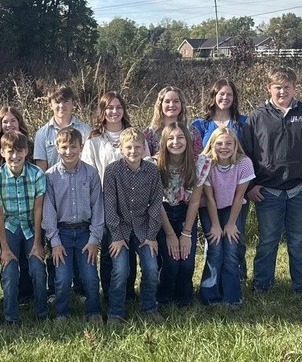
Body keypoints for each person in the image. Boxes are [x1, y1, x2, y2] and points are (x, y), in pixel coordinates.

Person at [244, 67, 302, 296]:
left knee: (299, 241)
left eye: (287, 87)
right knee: (268, 241)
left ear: (294, 88)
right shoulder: (256, 117)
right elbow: (245, 155)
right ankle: (262, 285)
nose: (282, 91)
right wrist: (250, 186)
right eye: (277, 87)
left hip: (301, 189)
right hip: (268, 191)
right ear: (269, 88)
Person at [192, 79, 253, 288]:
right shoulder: (200, 125)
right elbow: (196, 155)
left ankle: (237, 279)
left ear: (234, 98)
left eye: (229, 94)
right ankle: (213, 283)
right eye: (221, 94)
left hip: (237, 189)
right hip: (208, 192)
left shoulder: (244, 123)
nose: (225, 98)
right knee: (214, 241)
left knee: (236, 236)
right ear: (213, 96)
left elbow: (250, 152)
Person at [81, 91, 140, 302]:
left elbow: (145, 163)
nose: (114, 111)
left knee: (129, 247)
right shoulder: (94, 140)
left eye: (118, 107)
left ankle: (128, 292)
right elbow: (89, 172)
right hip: (105, 201)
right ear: (103, 111)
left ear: (124, 110)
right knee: (109, 249)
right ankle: (108, 293)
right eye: (109, 108)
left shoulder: (133, 135)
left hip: (132, 202)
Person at [0, 132, 48, 324]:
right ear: (2, 152)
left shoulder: (37, 174)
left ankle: (41, 313)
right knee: (10, 270)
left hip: (31, 227)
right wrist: (4, 248)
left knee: (37, 267)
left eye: (19, 151)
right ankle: (11, 316)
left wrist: (37, 243)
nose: (15, 156)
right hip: (9, 227)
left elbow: (39, 210)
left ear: (26, 152)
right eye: (10, 151)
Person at [43, 129, 104, 323]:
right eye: (64, 147)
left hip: (86, 232)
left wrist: (94, 239)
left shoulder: (91, 173)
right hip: (62, 233)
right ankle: (62, 313)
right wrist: (54, 242)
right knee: (62, 278)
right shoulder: (50, 176)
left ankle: (94, 311)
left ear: (81, 147)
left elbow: (98, 206)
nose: (69, 151)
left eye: (73, 147)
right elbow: (48, 210)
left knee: (90, 276)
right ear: (57, 148)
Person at [103, 129, 164, 321]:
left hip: (144, 227)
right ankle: (116, 311)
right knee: (121, 270)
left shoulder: (152, 171)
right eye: (128, 147)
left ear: (144, 148)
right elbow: (109, 204)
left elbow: (156, 203)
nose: (133, 151)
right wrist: (116, 236)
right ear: (121, 148)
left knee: (151, 268)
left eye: (137, 147)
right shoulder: (112, 171)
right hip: (119, 228)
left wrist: (152, 236)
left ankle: (149, 307)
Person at [152, 122, 208, 307]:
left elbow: (195, 201)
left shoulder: (198, 163)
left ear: (188, 140)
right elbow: (156, 202)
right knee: (172, 260)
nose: (176, 142)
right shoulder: (154, 165)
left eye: (180, 137)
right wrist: (170, 235)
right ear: (164, 142)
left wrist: (186, 233)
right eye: (171, 138)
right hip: (163, 213)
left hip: (186, 212)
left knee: (186, 261)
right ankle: (163, 298)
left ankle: (184, 299)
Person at [198, 127, 255, 306]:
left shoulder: (244, 163)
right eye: (219, 143)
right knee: (215, 248)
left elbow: (239, 196)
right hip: (210, 207)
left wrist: (231, 224)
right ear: (212, 145)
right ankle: (210, 295)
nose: (224, 147)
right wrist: (215, 225)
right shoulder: (206, 162)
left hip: (233, 207)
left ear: (236, 145)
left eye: (229, 143)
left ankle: (232, 296)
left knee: (231, 248)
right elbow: (209, 198)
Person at [33, 85, 92, 171]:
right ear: (50, 105)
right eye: (57, 102)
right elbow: (41, 170)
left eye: (65, 101)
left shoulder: (86, 131)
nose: (61, 105)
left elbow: (89, 163)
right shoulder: (41, 134)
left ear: (73, 103)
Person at [144, 86, 202, 156]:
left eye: (176, 101)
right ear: (160, 105)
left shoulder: (192, 132)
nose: (171, 105)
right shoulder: (150, 134)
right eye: (167, 101)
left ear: (181, 104)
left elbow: (199, 158)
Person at [0, 106, 33, 173]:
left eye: (13, 121)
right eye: (5, 122)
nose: (9, 125)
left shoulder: (31, 146)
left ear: (19, 123)